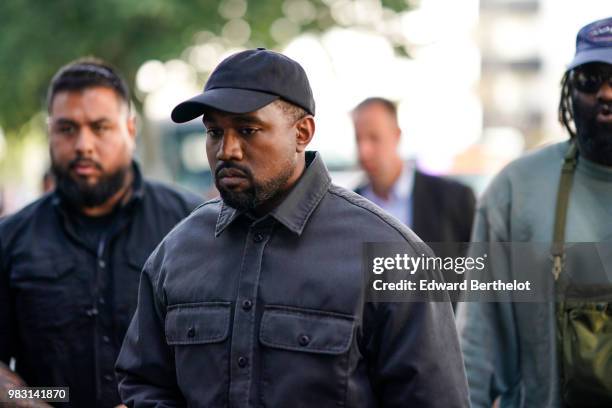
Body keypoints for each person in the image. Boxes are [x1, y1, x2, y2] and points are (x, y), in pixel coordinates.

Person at [116, 48, 469, 407]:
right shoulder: (177, 252)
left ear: (302, 132)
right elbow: (144, 384)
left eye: (248, 130)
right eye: (214, 132)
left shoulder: (394, 254)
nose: (228, 150)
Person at [0, 58, 202, 407]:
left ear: (130, 128)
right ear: (50, 133)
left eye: (100, 127)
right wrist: (33, 401)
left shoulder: (191, 225)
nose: (83, 144)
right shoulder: (11, 239)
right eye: (66, 128)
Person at [457, 17, 612, 407]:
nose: (607, 93)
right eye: (590, 80)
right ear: (568, 92)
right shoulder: (517, 189)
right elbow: (477, 340)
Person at [352, 97, 476, 246]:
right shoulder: (349, 207)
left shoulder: (454, 200)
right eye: (358, 139)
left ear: (396, 136)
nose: (364, 151)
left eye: (374, 138)